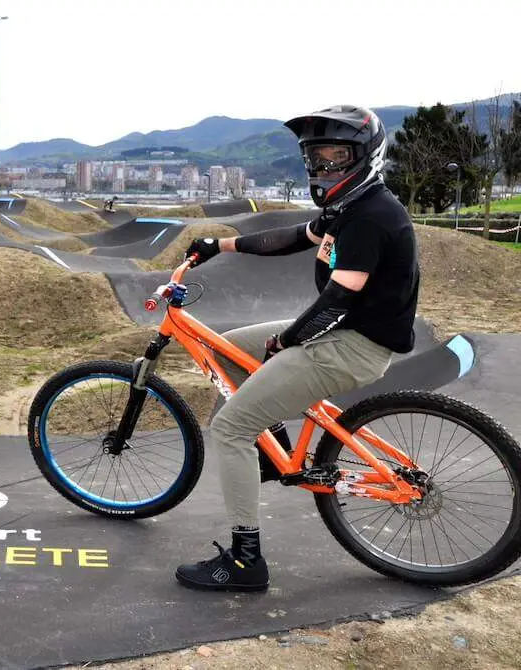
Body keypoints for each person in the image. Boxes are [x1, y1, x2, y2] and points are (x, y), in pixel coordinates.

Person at [174, 105, 418, 592]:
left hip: (353, 343)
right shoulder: (348, 207)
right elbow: (288, 239)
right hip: (346, 328)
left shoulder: (371, 217)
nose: (323, 166)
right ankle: (272, 448)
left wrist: (288, 342)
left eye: (335, 154)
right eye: (315, 156)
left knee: (229, 429)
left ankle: (245, 562)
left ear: (365, 155)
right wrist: (218, 245)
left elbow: (337, 299)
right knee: (224, 350)